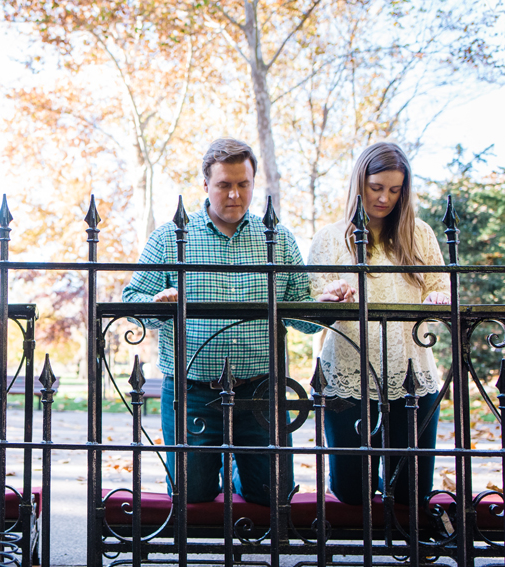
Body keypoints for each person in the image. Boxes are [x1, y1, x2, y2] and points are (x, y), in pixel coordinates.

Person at [123, 137, 324, 506]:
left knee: (272, 494)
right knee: (192, 495)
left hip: (262, 392)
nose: (234, 194)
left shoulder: (277, 239)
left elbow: (303, 316)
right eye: (224, 185)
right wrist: (159, 302)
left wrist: (323, 307)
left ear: (253, 183)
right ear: (205, 185)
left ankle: (240, 471)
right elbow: (131, 301)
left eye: (243, 184)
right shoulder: (171, 237)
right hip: (192, 390)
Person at [308, 141, 449, 505]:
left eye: (394, 190)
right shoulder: (329, 238)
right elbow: (312, 301)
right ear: (360, 184)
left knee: (410, 492)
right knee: (350, 492)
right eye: (376, 188)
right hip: (347, 374)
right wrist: (328, 300)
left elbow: (440, 289)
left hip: (412, 375)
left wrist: (437, 300)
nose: (384, 198)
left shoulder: (420, 235)